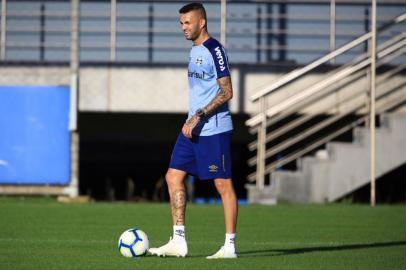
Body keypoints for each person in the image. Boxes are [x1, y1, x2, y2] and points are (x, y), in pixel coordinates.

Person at [148, 2, 238, 259]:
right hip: (192, 127)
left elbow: (227, 92)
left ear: (202, 22)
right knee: (172, 176)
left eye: (188, 22)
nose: (184, 27)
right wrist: (191, 119)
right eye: (181, 23)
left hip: (213, 128)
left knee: (222, 184)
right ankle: (178, 241)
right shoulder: (194, 50)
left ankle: (229, 247)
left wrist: (199, 115)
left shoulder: (215, 49)